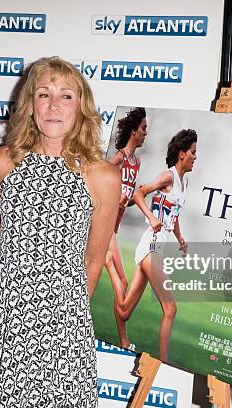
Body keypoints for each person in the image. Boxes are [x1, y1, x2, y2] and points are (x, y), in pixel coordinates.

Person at [0, 56, 120, 408]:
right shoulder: (2, 162)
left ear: (80, 108)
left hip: (63, 332)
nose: (54, 105)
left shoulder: (103, 176)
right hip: (6, 324)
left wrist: (58, 318)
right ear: (29, 105)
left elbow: (93, 263)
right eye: (43, 94)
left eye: (66, 96)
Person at [114, 129, 197, 362]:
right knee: (170, 308)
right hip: (151, 243)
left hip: (158, 245)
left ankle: (111, 269)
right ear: (181, 154)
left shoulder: (184, 182)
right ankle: (164, 363)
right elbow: (140, 193)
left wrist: (180, 238)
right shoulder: (167, 177)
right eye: (192, 152)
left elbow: (174, 214)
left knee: (125, 311)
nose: (195, 157)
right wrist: (151, 217)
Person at [104, 107, 147, 349]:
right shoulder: (119, 158)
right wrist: (115, 199)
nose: (145, 133)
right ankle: (123, 340)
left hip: (115, 229)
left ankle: (123, 340)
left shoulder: (136, 162)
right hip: (106, 228)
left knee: (123, 283)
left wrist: (134, 197)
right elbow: (99, 184)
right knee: (121, 280)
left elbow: (126, 197)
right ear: (133, 131)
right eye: (143, 128)